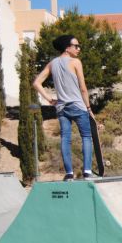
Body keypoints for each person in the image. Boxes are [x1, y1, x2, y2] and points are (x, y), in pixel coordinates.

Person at [33, 35, 94, 181]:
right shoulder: (75, 62)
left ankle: (69, 173)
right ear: (67, 48)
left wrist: (49, 99)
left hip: (61, 107)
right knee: (86, 136)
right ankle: (87, 171)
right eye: (76, 46)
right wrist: (89, 108)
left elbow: (36, 83)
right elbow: (83, 88)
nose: (78, 49)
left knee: (65, 139)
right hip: (78, 105)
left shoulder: (52, 63)